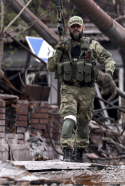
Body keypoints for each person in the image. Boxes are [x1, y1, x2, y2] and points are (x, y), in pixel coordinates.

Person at [47, 16, 116, 162]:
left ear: (83, 28)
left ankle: (79, 152)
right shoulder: (63, 46)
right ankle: (66, 151)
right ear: (69, 29)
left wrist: (109, 73)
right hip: (68, 88)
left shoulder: (92, 45)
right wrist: (58, 51)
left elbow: (109, 59)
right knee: (69, 118)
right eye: (73, 27)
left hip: (87, 90)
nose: (76, 29)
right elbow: (51, 66)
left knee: (84, 123)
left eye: (78, 26)